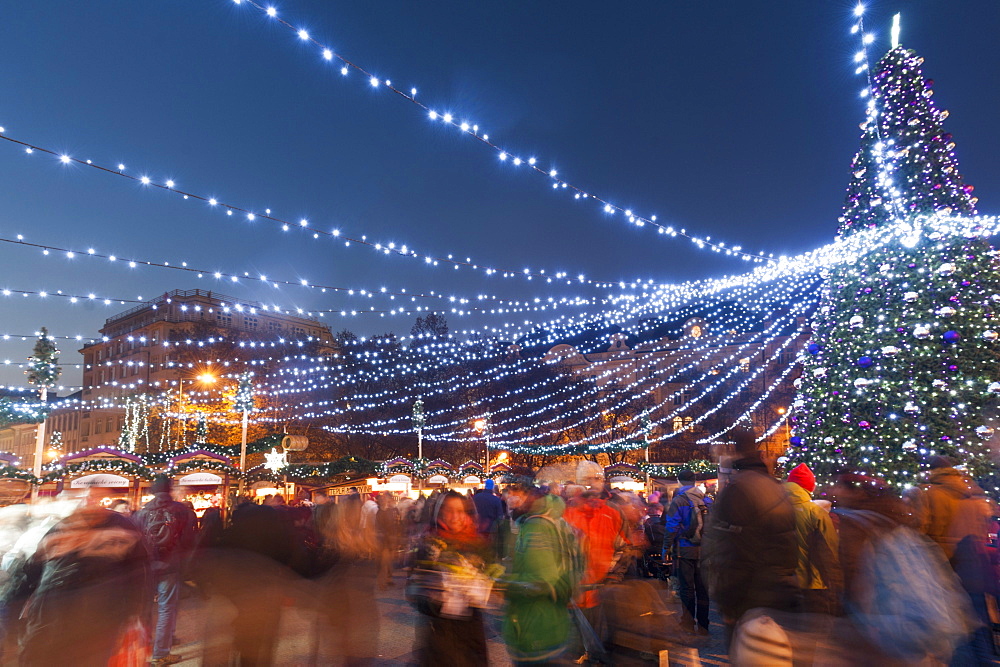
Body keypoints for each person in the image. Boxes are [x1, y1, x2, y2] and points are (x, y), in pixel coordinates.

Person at [16, 491, 150, 666]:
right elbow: (140, 576)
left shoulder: (63, 528)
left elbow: (30, 571)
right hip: (91, 621)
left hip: (58, 619)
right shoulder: (123, 529)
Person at [701, 429, 799, 642]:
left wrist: (728, 602)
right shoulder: (776, 488)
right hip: (778, 593)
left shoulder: (738, 489)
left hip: (749, 597)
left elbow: (731, 551)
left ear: (734, 449)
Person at [919, 456, 996, 663]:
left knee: (952, 629)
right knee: (977, 622)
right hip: (973, 566)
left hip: (942, 565)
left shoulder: (928, 493)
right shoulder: (971, 493)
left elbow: (922, 530)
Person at [407, 491, 496, 666]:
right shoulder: (428, 544)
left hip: (472, 633)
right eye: (449, 510)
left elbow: (490, 578)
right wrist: (437, 597)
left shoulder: (476, 543)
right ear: (439, 513)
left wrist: (486, 587)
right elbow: (412, 590)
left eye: (460, 510)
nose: (455, 516)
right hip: (440, 634)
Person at [501, 483, 576, 665]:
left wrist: (502, 582)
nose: (510, 495)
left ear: (530, 495)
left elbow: (541, 582)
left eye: (516, 490)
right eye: (508, 491)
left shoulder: (536, 526)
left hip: (536, 628)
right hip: (548, 624)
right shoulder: (545, 520)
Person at [135, 475, 197, 667]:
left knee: (144, 608)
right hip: (170, 565)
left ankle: (144, 646)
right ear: (169, 489)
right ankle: (161, 652)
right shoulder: (181, 510)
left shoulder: (142, 512)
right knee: (167, 608)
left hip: (146, 566)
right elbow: (189, 541)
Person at [783, 463, 840, 614]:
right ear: (808, 487)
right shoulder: (816, 512)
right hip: (813, 583)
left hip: (783, 582)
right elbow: (830, 548)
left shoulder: (775, 508)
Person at [662, 470, 711, 634]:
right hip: (705, 551)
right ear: (695, 481)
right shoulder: (707, 500)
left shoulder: (679, 501)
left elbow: (671, 527)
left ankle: (688, 623)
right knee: (703, 588)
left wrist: (666, 547)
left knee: (687, 588)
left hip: (685, 549)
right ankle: (704, 624)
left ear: (680, 481)